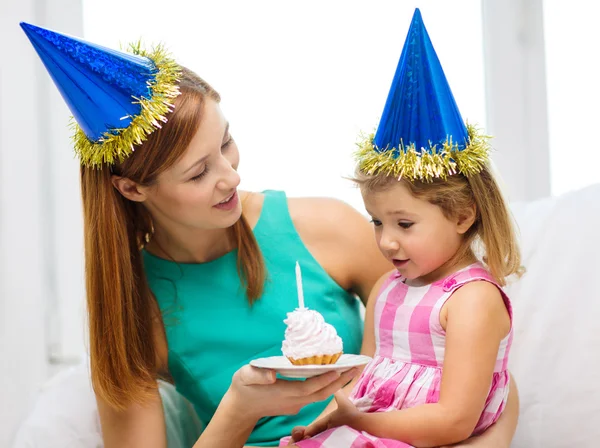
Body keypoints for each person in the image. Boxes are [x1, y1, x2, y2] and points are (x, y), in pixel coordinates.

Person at [20, 19, 519, 448]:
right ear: (132, 188)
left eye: (227, 142)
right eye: (198, 173)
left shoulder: (327, 228)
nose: (231, 176)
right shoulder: (134, 304)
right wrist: (239, 409)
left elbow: (473, 365)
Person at [286, 9, 522, 448]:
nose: (385, 239)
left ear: (462, 215)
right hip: (373, 431)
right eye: (377, 221)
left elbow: (453, 421)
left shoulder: (471, 301)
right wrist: (323, 423)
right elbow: (365, 380)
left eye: (404, 223)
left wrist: (364, 424)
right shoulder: (386, 289)